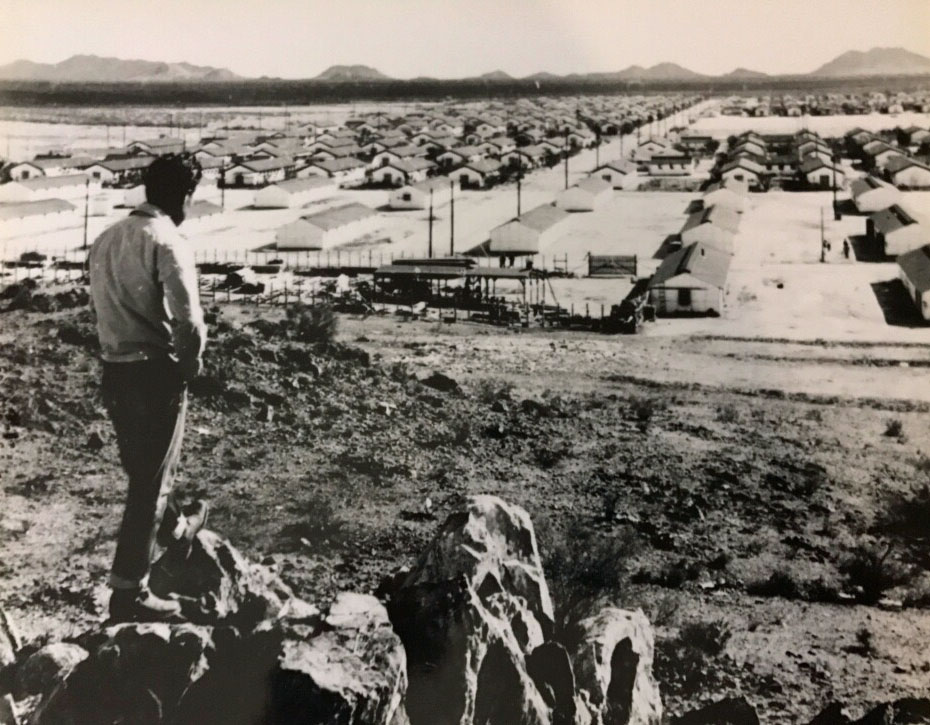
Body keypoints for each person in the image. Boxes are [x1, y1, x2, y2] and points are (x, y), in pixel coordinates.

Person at [89, 153, 209, 622]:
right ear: (182, 195)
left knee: (144, 467)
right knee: (149, 481)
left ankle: (178, 529)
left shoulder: (107, 238)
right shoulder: (167, 239)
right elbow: (190, 323)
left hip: (114, 370)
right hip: (154, 372)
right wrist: (189, 367)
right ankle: (128, 592)